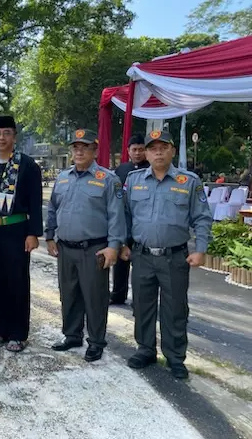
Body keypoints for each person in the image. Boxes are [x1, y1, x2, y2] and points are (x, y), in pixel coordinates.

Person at [121, 130, 212, 380]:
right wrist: (122, 243)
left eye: (163, 147)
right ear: (146, 153)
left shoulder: (189, 181)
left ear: (172, 151)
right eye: (152, 148)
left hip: (175, 257)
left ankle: (175, 357)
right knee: (142, 305)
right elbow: (124, 215)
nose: (158, 152)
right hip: (142, 256)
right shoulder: (134, 180)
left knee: (174, 309)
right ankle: (145, 349)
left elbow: (202, 218)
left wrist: (200, 249)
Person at [45, 129, 126, 362]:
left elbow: (116, 216)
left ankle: (96, 341)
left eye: (85, 147)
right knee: (68, 294)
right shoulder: (62, 178)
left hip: (94, 249)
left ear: (95, 150)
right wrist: (50, 236)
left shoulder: (108, 179)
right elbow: (52, 209)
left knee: (95, 297)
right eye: (76, 147)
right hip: (65, 248)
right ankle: (72, 335)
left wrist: (114, 246)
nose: (79, 151)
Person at [0, 115, 43, 352]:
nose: (1, 138)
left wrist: (33, 233)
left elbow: (36, 202)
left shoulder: (28, 165)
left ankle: (19, 333)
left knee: (17, 281)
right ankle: (0, 329)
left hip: (17, 230)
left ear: (14, 136)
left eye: (6, 133)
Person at [110, 134, 149, 306]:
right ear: (128, 151)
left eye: (141, 149)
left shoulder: (152, 169)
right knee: (120, 260)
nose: (138, 153)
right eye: (135, 150)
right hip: (123, 222)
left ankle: (139, 298)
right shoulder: (122, 170)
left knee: (140, 264)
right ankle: (118, 294)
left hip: (142, 222)